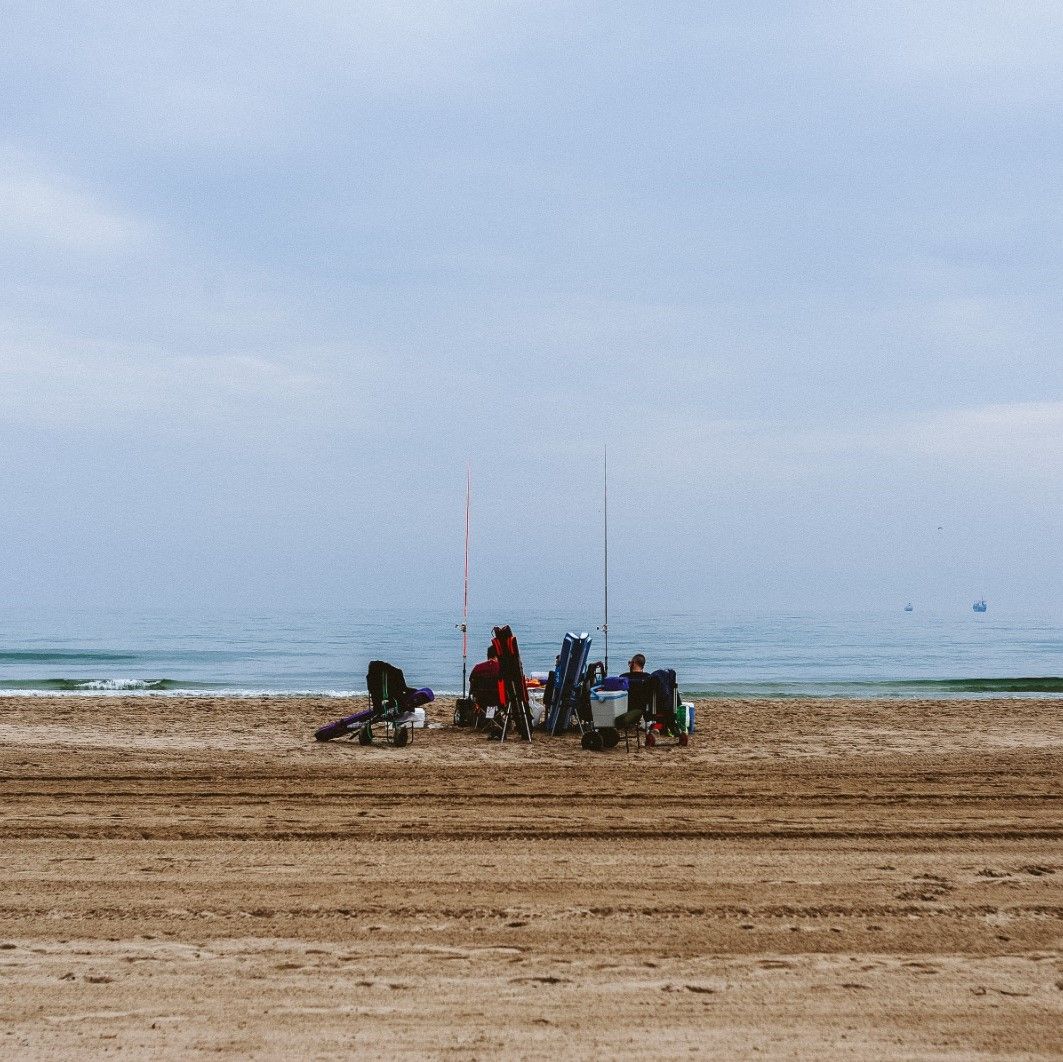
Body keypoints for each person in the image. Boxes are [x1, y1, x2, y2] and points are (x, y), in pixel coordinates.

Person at [468, 644, 501, 728]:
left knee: (490, 696)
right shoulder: (501, 668)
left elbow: (471, 680)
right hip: (498, 700)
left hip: (481, 699)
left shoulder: (478, 667)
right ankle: (495, 720)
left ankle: (487, 720)